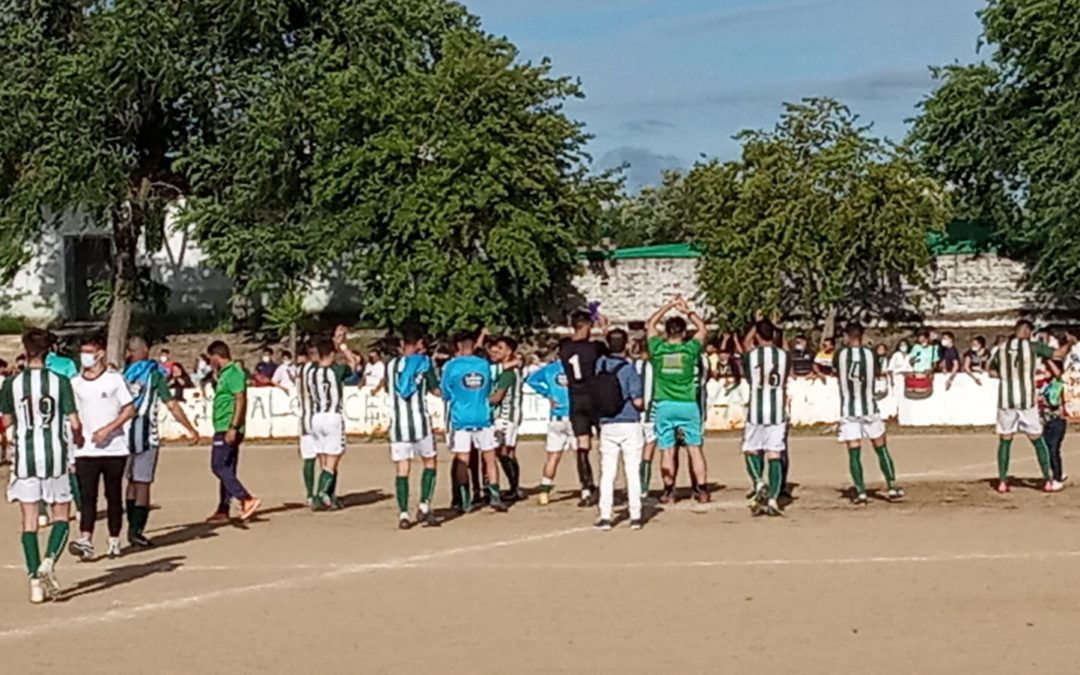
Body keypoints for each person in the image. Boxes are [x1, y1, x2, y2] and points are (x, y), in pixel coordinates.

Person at [2, 328, 82, 603]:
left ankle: (35, 582)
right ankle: (48, 561)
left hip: (25, 458)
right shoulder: (60, 382)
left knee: (29, 521)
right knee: (62, 516)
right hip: (55, 457)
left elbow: (7, 422)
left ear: (25, 350)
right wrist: (79, 437)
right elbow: (74, 422)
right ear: (49, 351)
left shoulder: (10, 383)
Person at [123, 337, 200, 548]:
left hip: (124, 433)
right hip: (147, 433)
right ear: (145, 349)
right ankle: (136, 529)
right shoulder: (153, 374)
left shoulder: (124, 374)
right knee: (143, 482)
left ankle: (130, 524)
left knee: (130, 481)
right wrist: (190, 428)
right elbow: (172, 404)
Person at [68, 335, 135, 562]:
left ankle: (114, 539)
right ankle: (86, 539)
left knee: (113, 495)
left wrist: (108, 429)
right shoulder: (75, 383)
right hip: (85, 450)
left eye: (89, 351)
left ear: (100, 353)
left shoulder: (114, 380)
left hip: (114, 448)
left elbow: (129, 409)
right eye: (82, 351)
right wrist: (75, 437)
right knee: (87, 497)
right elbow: (72, 415)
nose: (85, 356)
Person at [646, 296, 708, 505]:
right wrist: (687, 310)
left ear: (666, 332)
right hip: (688, 403)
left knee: (667, 449)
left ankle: (669, 491)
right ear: (683, 333)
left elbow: (650, 324)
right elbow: (702, 329)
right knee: (694, 448)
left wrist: (668, 307)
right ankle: (702, 490)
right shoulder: (689, 349)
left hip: (664, 404)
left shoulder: (658, 349)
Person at [834, 323, 905, 504]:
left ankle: (860, 492)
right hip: (869, 408)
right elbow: (877, 373)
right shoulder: (870, 354)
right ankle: (891, 486)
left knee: (854, 453)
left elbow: (836, 370)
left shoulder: (840, 355)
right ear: (862, 335)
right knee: (881, 448)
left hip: (849, 410)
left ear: (846, 336)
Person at [989, 320, 1060, 494]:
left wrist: (1007, 376)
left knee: (1005, 439)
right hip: (1026, 399)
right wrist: (1071, 343)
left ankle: (1003, 482)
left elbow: (991, 371)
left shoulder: (1002, 349)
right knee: (1036, 438)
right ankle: (1048, 480)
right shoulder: (1032, 347)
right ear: (1027, 331)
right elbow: (1057, 354)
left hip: (1006, 399)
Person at [441, 331, 506, 513]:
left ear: (458, 346)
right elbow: (488, 387)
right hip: (483, 416)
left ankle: (465, 500)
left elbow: (445, 393)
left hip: (461, 419)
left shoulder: (451, 366)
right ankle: (495, 496)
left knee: (463, 459)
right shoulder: (484, 365)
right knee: (490, 458)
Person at [385, 328, 441, 529]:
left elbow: (387, 389)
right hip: (420, 422)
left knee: (402, 468)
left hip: (398, 424)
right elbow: (435, 390)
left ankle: (403, 514)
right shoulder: (424, 364)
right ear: (418, 344)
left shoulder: (390, 366)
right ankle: (424, 506)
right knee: (429, 462)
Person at [205, 341, 261, 522]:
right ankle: (223, 508)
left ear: (216, 356)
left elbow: (240, 399)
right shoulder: (223, 375)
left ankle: (246, 498)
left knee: (218, 466)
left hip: (227, 427)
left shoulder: (234, 373)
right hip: (222, 426)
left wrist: (233, 427)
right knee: (227, 469)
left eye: (210, 358)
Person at [595, 329, 645, 530]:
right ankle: (635, 515)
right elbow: (638, 400)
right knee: (632, 470)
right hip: (628, 421)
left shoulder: (600, 365)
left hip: (607, 422)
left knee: (608, 472)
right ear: (626, 345)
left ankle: (605, 515)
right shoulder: (629, 369)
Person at [741, 318, 790, 517]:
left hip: (756, 411)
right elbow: (785, 348)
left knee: (750, 450)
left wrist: (756, 322)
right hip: (777, 411)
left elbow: (745, 343)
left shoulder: (751, 355)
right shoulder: (784, 357)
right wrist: (779, 330)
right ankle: (773, 499)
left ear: (758, 336)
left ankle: (759, 483)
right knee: (775, 454)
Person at [558, 310, 607, 507]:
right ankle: (605, 484)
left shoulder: (565, 348)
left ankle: (586, 488)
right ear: (587, 326)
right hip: (594, 397)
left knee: (582, 445)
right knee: (605, 442)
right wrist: (604, 329)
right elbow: (615, 351)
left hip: (575, 399)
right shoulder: (595, 347)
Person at [300, 335, 350, 511]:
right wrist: (343, 347)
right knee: (332, 460)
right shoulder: (336, 370)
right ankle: (322, 493)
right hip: (332, 417)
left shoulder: (311, 372)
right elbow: (354, 364)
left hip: (315, 418)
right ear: (331, 353)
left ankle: (324, 496)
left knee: (322, 458)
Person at [525, 355, 573, 505]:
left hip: (556, 416)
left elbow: (531, 380)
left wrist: (547, 394)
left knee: (553, 456)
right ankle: (586, 488)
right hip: (573, 415)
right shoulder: (575, 367)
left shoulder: (550, 369)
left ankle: (544, 489)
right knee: (580, 454)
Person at [489, 336, 524, 501]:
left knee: (502, 452)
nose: (496, 350)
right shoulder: (510, 369)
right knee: (508, 451)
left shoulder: (508, 373)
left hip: (505, 415)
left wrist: (478, 398)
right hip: (511, 414)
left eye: (500, 348)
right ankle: (514, 487)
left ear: (509, 351)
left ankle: (514, 488)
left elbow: (497, 397)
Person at [1038, 360, 1067, 486]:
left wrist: (1048, 358)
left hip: (1057, 421)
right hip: (1047, 421)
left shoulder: (1058, 383)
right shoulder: (1045, 385)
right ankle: (1058, 472)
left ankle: (1057, 478)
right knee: (1048, 448)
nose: (1045, 372)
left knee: (1053, 449)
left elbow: (1053, 402)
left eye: (1048, 369)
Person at [635, 342, 657, 501]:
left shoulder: (632, 364)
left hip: (634, 413)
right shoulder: (656, 365)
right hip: (652, 412)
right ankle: (643, 488)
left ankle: (636, 487)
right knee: (649, 449)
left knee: (635, 450)